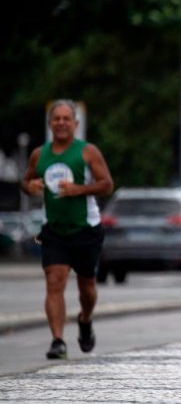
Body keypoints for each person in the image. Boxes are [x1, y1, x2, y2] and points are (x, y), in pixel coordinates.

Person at [20, 99, 114, 359]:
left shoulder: (88, 152)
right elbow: (26, 181)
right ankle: (58, 341)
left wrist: (79, 190)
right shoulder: (39, 154)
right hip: (55, 230)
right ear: (50, 123)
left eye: (66, 118)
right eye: (56, 118)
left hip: (86, 229)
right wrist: (29, 187)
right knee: (54, 281)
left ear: (75, 124)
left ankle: (85, 319)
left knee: (87, 287)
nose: (61, 123)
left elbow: (107, 185)